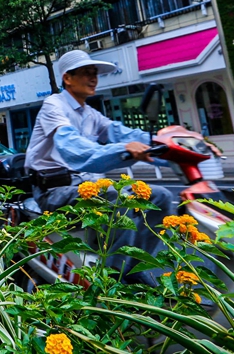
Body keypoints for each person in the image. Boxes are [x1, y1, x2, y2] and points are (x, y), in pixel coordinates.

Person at [25, 50, 174, 281]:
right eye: (87, 73)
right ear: (68, 78)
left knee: (161, 197)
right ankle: (113, 278)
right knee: (119, 200)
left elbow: (121, 133)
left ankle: (135, 266)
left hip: (87, 186)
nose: (93, 78)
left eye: (95, 73)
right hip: (54, 191)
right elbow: (71, 147)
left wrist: (174, 146)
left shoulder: (90, 113)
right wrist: (124, 149)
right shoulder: (53, 106)